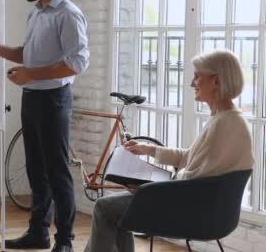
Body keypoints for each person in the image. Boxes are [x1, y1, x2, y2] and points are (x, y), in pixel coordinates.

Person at [84, 49, 255, 252]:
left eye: (198, 76)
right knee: (115, 210)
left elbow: (193, 182)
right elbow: (191, 160)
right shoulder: (226, 117)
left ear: (216, 82)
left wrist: (147, 189)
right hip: (205, 210)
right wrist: (148, 149)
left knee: (104, 208)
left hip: (192, 213)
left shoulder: (225, 124)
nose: (192, 83)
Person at [0, 0, 89, 252]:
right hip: (32, 97)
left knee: (57, 170)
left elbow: (76, 63)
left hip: (54, 100)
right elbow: (30, 54)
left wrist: (31, 75)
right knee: (35, 169)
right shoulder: (37, 13)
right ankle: (38, 233)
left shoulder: (68, 14)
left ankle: (64, 240)